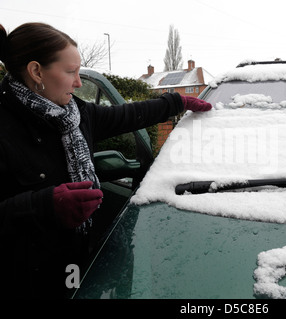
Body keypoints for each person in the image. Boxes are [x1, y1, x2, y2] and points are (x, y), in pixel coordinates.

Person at [0, 22, 212, 299]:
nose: (78, 82)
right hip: (26, 278)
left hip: (76, 260)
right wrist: (43, 206)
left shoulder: (74, 113)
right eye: (70, 72)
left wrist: (177, 103)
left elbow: (125, 115)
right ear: (36, 71)